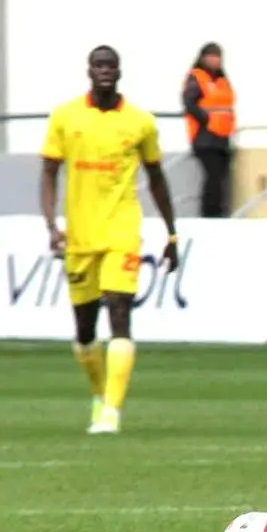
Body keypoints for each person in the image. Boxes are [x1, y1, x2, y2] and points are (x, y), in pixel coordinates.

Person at [39, 46, 179, 435]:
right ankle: (100, 395)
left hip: (121, 231)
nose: (104, 71)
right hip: (80, 236)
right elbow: (49, 173)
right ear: (89, 71)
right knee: (85, 332)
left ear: (119, 72)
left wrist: (172, 232)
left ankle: (112, 411)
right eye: (98, 65)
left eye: (110, 65)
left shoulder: (140, 122)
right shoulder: (66, 117)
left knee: (120, 313)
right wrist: (52, 226)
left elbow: (156, 178)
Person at [183, 43, 235, 217]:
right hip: (205, 137)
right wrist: (207, 120)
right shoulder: (197, 77)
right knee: (212, 177)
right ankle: (209, 213)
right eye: (212, 56)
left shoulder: (221, 80)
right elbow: (189, 103)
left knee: (221, 179)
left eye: (218, 56)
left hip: (223, 136)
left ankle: (219, 212)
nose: (216, 60)